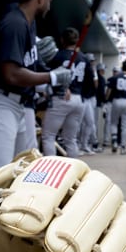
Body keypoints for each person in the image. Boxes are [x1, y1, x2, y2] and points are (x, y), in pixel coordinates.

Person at [0, 0, 72, 189]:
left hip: (17, 103)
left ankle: (2, 216)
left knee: (24, 167)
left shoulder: (28, 23)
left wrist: (49, 84)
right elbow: (12, 74)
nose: (50, 6)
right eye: (49, 1)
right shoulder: (14, 22)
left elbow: (26, 70)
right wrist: (52, 77)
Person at [40, 27, 89, 157]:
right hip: (78, 98)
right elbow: (89, 82)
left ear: (62, 40)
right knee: (71, 139)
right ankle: (74, 173)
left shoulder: (57, 56)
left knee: (49, 136)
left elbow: (47, 76)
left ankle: (50, 172)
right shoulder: (84, 57)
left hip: (61, 97)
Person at [106, 60, 126, 154]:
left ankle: (115, 140)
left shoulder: (115, 77)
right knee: (125, 125)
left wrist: (106, 100)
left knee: (114, 122)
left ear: (122, 67)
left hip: (117, 100)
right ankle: (123, 147)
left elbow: (109, 90)